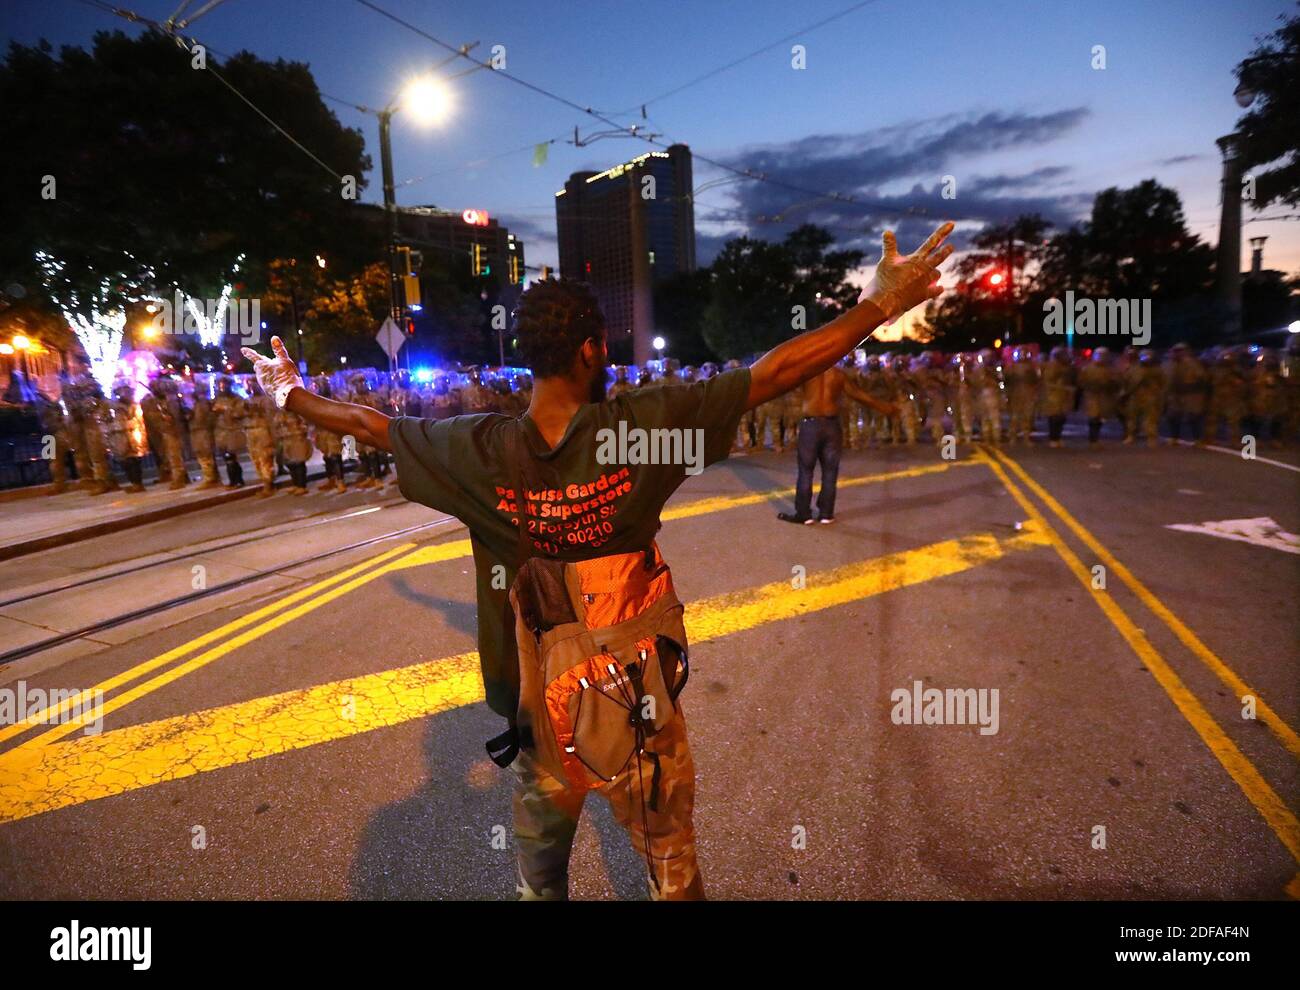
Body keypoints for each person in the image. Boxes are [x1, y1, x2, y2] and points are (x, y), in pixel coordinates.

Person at [242, 221, 953, 902]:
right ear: (589, 351)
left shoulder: (478, 450)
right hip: (636, 710)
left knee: (541, 876)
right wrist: (882, 303)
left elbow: (371, 426)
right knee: (668, 860)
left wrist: (289, 390)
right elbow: (771, 374)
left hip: (536, 721)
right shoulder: (643, 430)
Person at [776, 362, 898, 526]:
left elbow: (782, 384)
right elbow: (859, 395)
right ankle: (826, 513)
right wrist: (884, 407)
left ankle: (804, 514)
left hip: (811, 425)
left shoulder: (806, 372)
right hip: (832, 426)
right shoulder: (838, 374)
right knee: (830, 471)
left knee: (806, 471)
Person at [213, 377, 248, 488]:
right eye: (220, 385)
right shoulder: (217, 399)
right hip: (221, 432)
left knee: (231, 457)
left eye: (224, 385)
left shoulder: (237, 399)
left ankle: (238, 480)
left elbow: (239, 413)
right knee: (227, 458)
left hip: (233, 431)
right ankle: (232, 480)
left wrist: (226, 409)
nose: (222, 387)